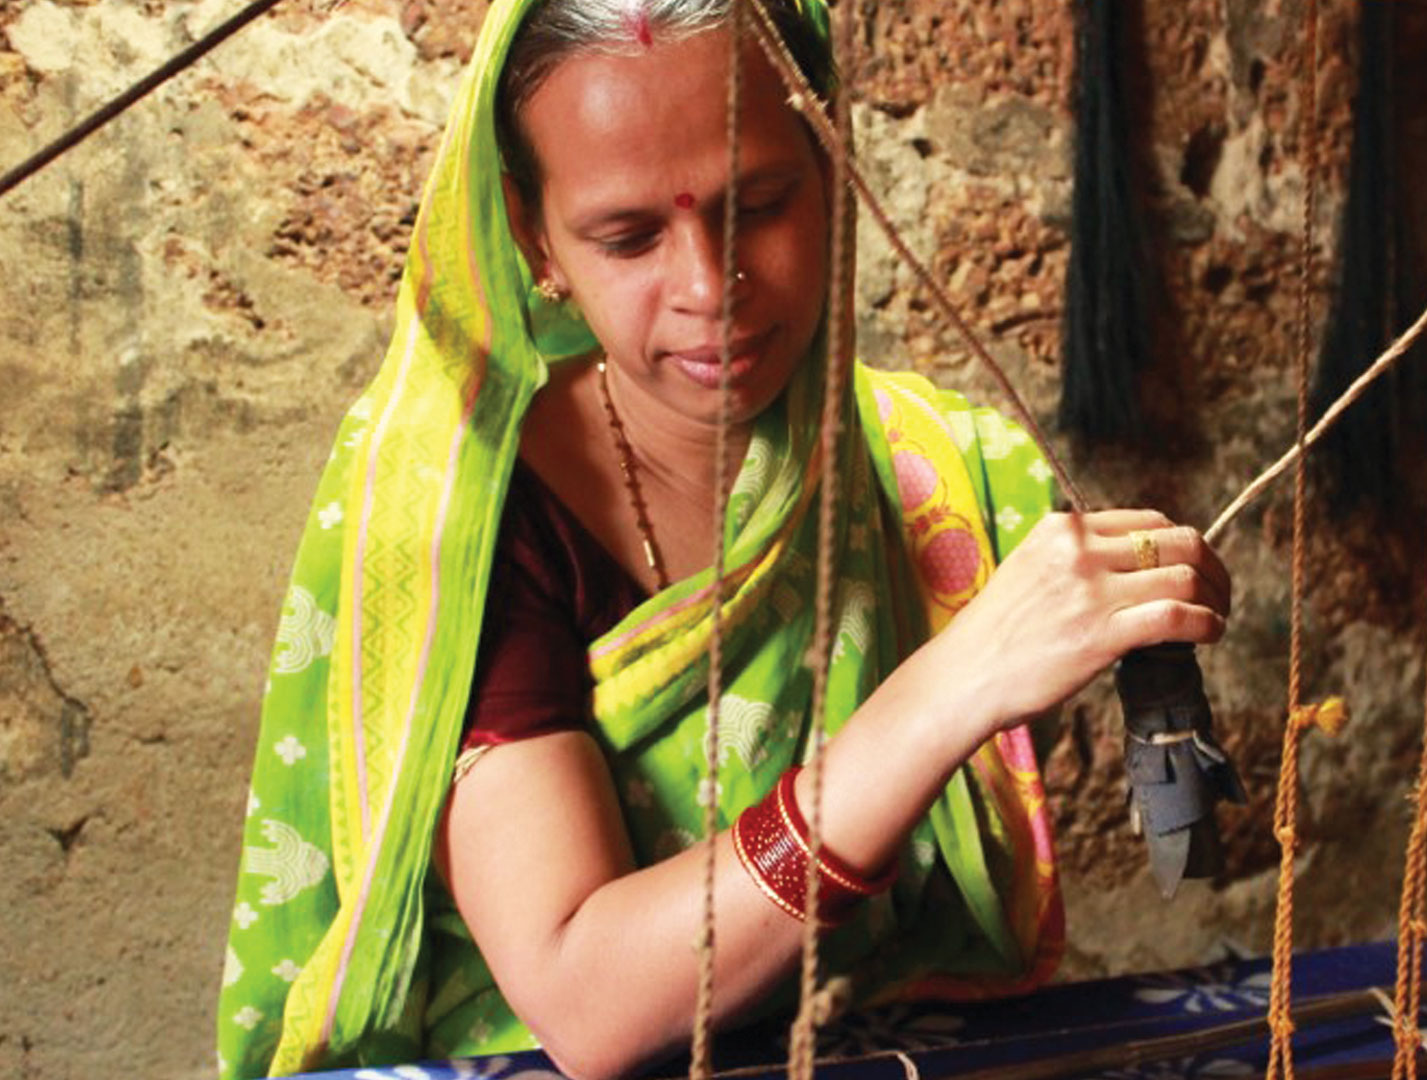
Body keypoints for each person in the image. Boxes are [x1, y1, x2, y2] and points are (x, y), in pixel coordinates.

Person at [215, 1, 1232, 1077]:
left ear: (832, 164)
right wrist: (948, 692)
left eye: (762, 205)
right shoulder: (459, 520)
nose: (710, 289)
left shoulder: (926, 469)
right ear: (532, 239)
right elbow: (585, 1000)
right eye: (628, 236)